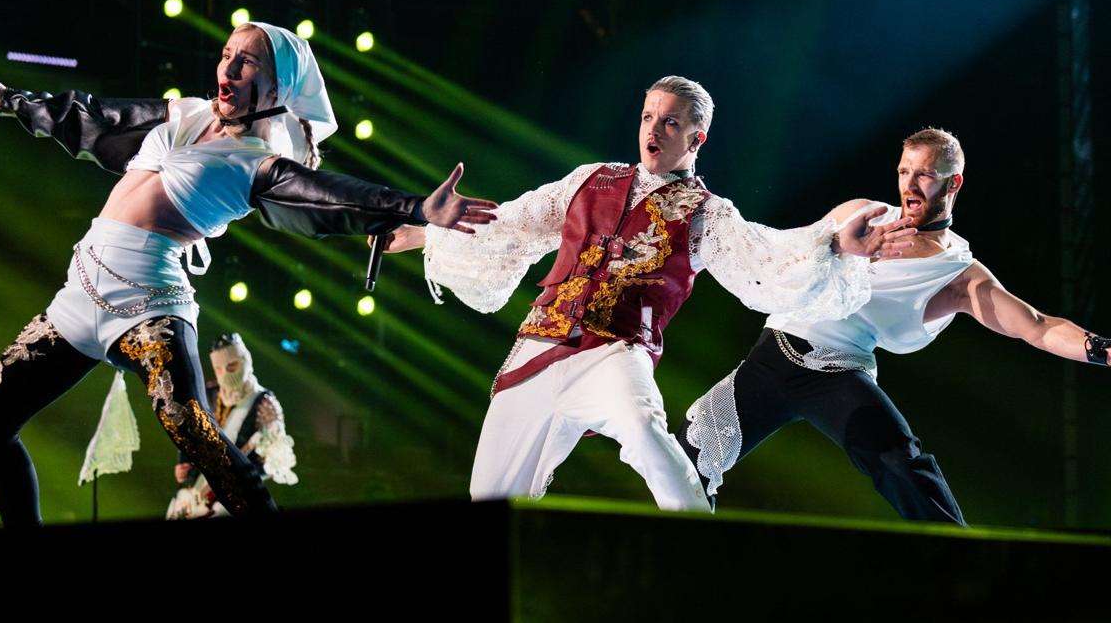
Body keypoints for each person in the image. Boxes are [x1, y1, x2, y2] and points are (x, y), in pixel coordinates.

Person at [0, 21, 496, 526]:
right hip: (77, 297)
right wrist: (11, 101)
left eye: (247, 62)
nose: (227, 70)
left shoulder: (258, 162)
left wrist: (416, 208)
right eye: (227, 54)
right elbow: (98, 117)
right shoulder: (184, 113)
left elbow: (332, 193)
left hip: (147, 306)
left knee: (202, 440)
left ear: (275, 89)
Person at [382, 76, 913, 512]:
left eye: (670, 122)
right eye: (647, 117)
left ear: (696, 138)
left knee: (643, 431)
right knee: (489, 495)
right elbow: (512, 225)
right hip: (540, 347)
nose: (653, 130)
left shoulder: (707, 212)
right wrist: (423, 233)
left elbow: (767, 257)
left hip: (615, 351)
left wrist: (836, 246)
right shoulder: (589, 180)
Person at [678, 128, 1110, 524]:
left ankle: (972, 574)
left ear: (952, 182)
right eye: (904, 171)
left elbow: (1036, 327)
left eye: (924, 174)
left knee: (901, 465)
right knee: (684, 457)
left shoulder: (958, 274)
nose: (909, 185)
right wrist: (836, 244)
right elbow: (783, 258)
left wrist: (1102, 349)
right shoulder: (863, 215)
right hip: (772, 357)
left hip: (838, 373)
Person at [167, 333, 295, 519]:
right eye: (219, 369)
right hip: (190, 496)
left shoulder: (265, 405)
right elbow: (189, 430)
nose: (226, 373)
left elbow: (275, 462)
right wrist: (183, 463)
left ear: (245, 361)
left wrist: (239, 475)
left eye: (232, 366)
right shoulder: (208, 393)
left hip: (234, 500)